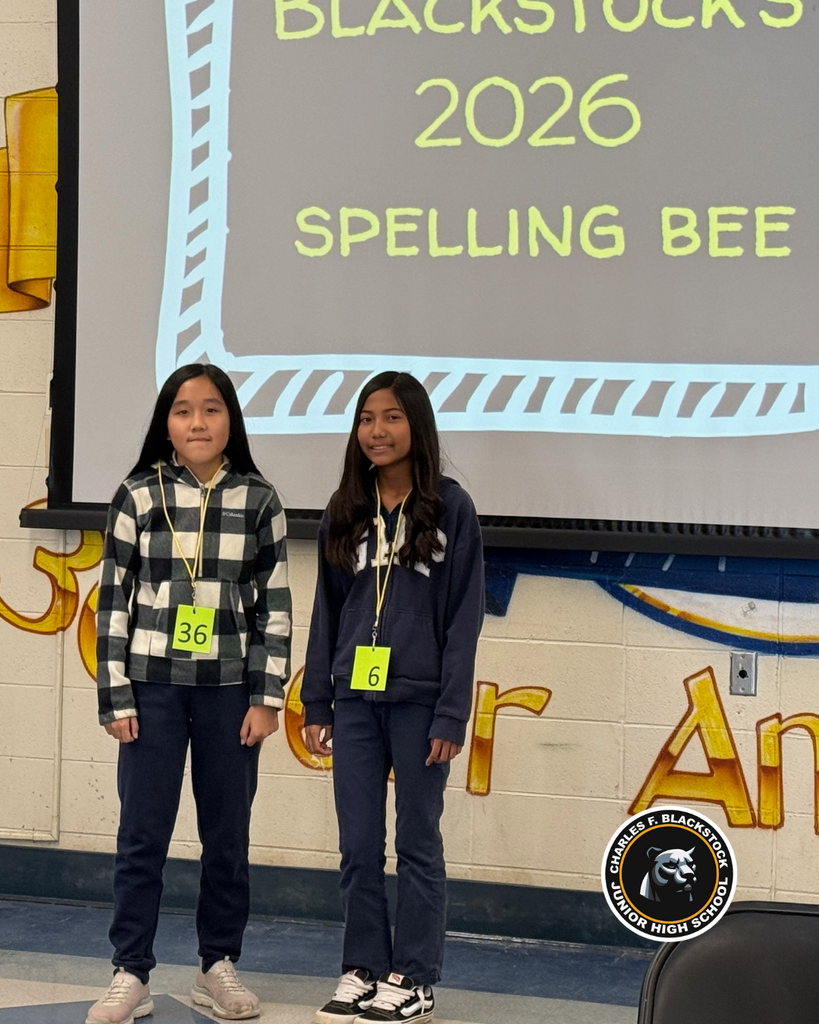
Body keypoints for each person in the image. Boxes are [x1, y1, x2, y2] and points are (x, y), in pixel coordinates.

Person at [88, 363, 291, 1024]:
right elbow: (112, 602)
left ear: (231, 419)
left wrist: (267, 697)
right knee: (141, 836)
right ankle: (130, 971)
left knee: (226, 837)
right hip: (152, 691)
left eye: (210, 409)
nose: (197, 422)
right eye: (183, 410)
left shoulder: (259, 499)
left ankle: (216, 964)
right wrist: (115, 695)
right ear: (166, 423)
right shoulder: (137, 495)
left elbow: (275, 607)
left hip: (229, 695)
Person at [302, 371, 484, 1024]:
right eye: (365, 419)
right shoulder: (345, 508)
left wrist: (451, 713)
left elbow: (463, 618)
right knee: (357, 844)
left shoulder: (450, 508)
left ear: (416, 426)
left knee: (416, 842)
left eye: (391, 417)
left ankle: (414, 975)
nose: (376, 431)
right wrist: (316, 701)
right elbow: (326, 610)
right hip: (354, 699)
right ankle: (362, 966)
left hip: (420, 703)